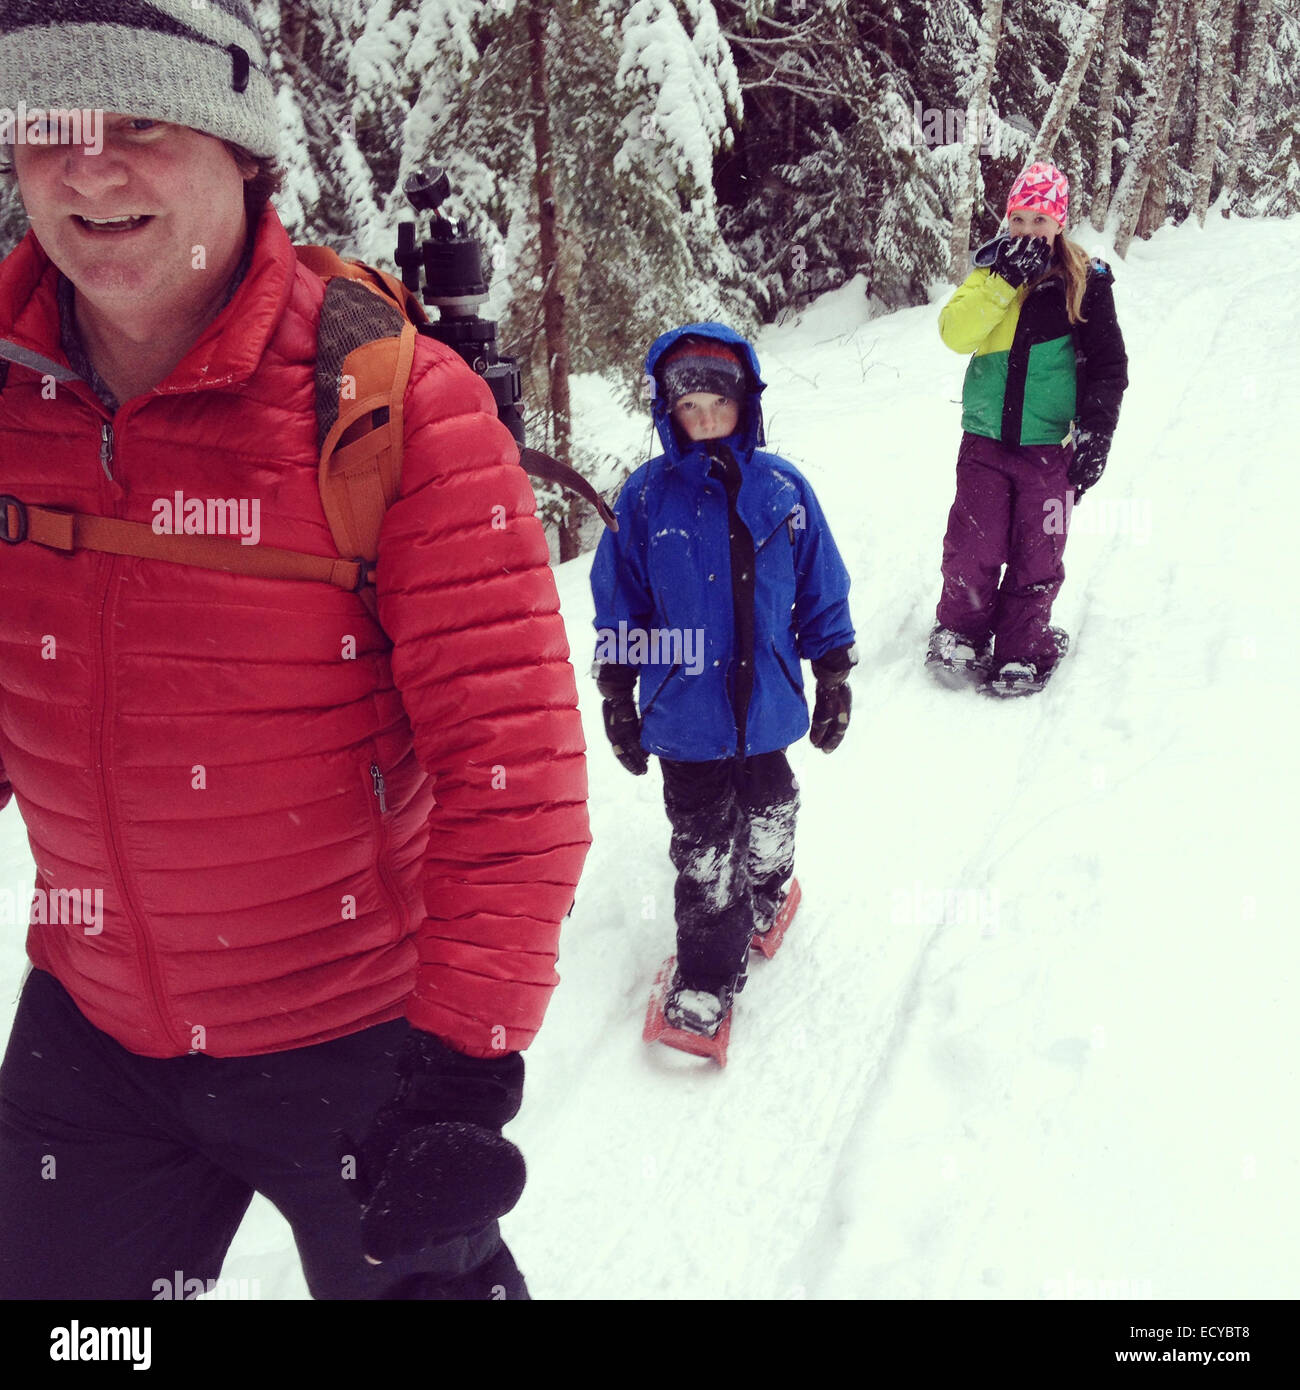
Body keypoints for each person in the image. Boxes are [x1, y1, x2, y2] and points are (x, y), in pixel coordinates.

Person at [0, 1, 589, 1300]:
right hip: (96, 1031)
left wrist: (459, 1075)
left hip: (362, 1032)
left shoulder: (396, 407)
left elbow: (514, 775)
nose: (87, 167)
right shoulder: (6, 393)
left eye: (138, 122)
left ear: (243, 148)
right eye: (46, 124)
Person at [590, 324, 856, 1039]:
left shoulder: (783, 489)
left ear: (746, 401)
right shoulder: (645, 500)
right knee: (705, 850)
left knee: (772, 810)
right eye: (689, 407)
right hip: (685, 717)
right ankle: (708, 972)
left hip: (766, 704)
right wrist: (618, 692)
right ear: (667, 412)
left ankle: (769, 888)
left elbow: (820, 585)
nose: (705, 418)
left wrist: (833, 671)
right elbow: (623, 604)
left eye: (718, 402)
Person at [928, 160, 1129, 695]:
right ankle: (961, 631)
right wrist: (1003, 282)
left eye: (1040, 219)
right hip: (984, 442)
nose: (1028, 230)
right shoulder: (991, 270)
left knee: (1038, 552)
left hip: (1049, 448)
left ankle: (1022, 647)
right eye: (1019, 218)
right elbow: (955, 332)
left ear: (1059, 222)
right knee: (973, 545)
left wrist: (1096, 434)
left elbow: (1109, 366)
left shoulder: (1086, 281)